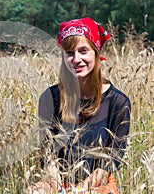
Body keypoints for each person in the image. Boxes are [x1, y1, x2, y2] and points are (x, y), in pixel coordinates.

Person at [30, 17, 131, 194]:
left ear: (96, 53)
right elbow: (47, 155)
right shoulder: (50, 98)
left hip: (98, 186)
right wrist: (53, 184)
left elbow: (111, 161)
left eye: (83, 51)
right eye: (69, 53)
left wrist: (82, 190)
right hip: (58, 184)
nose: (76, 59)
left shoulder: (118, 103)